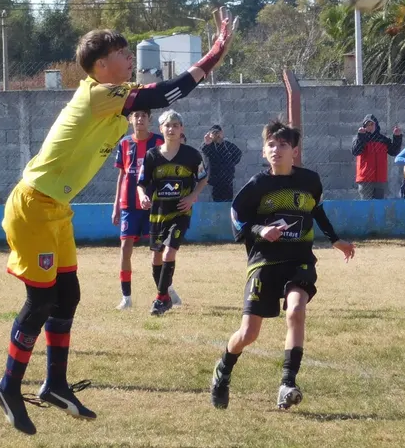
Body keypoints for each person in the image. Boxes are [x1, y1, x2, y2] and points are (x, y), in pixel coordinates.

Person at [0, 8, 235, 436]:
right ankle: (8, 386)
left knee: (68, 295)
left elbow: (165, 92)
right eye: (123, 53)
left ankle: (55, 384)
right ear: (102, 65)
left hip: (55, 209)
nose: (129, 60)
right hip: (33, 205)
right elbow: (169, 93)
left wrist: (212, 56)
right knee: (41, 300)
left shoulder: (113, 92)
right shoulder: (99, 94)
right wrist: (214, 51)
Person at [211, 120, 355, 411]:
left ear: (295, 151)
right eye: (271, 145)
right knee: (248, 334)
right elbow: (238, 219)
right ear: (264, 152)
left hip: (299, 259)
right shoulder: (257, 186)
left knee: (297, 310)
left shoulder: (310, 181)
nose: (277, 150)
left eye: (283, 145)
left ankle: (287, 384)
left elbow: (316, 209)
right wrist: (260, 231)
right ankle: (223, 371)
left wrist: (335, 240)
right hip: (264, 262)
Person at [136, 110, 207, 316]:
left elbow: (202, 178)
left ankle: (160, 299)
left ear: (181, 129)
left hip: (180, 212)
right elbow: (141, 183)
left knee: (168, 252)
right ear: (161, 129)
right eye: (168, 125)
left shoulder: (192, 155)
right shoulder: (152, 156)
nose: (172, 129)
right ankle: (165, 295)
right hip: (158, 213)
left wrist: (192, 196)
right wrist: (142, 196)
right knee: (156, 256)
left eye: (176, 125)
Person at [111, 108, 165, 310]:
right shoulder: (125, 143)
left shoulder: (158, 142)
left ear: (149, 119)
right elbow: (122, 176)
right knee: (125, 249)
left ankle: (164, 289)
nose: (140, 119)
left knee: (157, 249)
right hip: (129, 205)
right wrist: (116, 205)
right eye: (136, 115)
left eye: (143, 116)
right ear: (130, 119)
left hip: (153, 204)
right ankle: (126, 297)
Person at [351, 115, 402, 198]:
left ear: (376, 125)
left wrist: (397, 137)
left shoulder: (383, 139)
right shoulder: (359, 137)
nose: (370, 127)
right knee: (366, 204)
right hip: (365, 179)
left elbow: (394, 151)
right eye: (368, 125)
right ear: (364, 126)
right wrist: (361, 137)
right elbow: (356, 151)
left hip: (380, 178)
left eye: (372, 124)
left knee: (379, 206)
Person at [201, 124, 242, 202]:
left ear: (222, 133)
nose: (216, 135)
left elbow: (238, 153)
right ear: (210, 134)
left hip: (227, 179)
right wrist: (207, 142)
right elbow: (204, 151)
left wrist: (231, 164)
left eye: (218, 132)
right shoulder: (209, 145)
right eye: (214, 133)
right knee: (215, 202)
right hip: (214, 180)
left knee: (228, 202)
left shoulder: (227, 145)